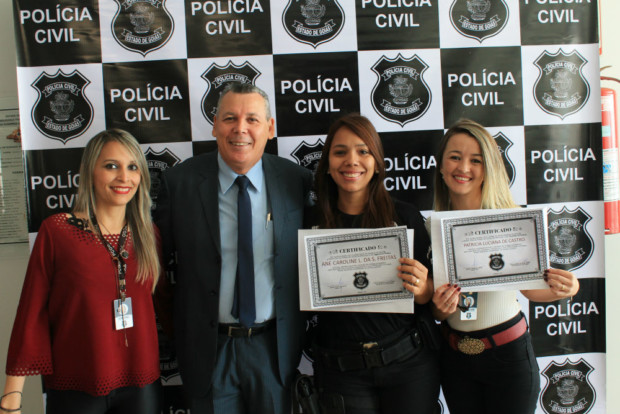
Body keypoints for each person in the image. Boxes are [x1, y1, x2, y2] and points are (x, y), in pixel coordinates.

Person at [154, 82, 313, 414]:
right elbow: (153, 265)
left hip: (274, 349)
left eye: (252, 119)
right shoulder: (179, 183)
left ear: (269, 128)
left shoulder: (296, 180)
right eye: (229, 118)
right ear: (214, 126)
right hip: (208, 350)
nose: (240, 128)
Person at [1, 129, 161, 414]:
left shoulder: (149, 235)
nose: (124, 177)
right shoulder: (58, 231)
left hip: (141, 384)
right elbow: (32, 312)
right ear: (90, 172)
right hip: (76, 385)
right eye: (111, 166)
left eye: (133, 167)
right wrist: (11, 396)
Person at [431, 119, 580, 414]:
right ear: (441, 166)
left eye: (476, 160)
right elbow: (437, 311)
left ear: (489, 167)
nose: (463, 168)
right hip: (455, 359)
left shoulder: (513, 219)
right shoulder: (431, 226)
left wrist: (568, 288)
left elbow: (532, 290)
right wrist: (440, 309)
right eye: (455, 157)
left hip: (508, 357)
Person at [308, 113, 441, 414]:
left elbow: (431, 296)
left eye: (363, 151)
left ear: (378, 163)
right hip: (341, 371)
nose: (351, 161)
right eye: (340, 152)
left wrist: (422, 287)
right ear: (327, 164)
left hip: (408, 365)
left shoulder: (405, 216)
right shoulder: (310, 223)